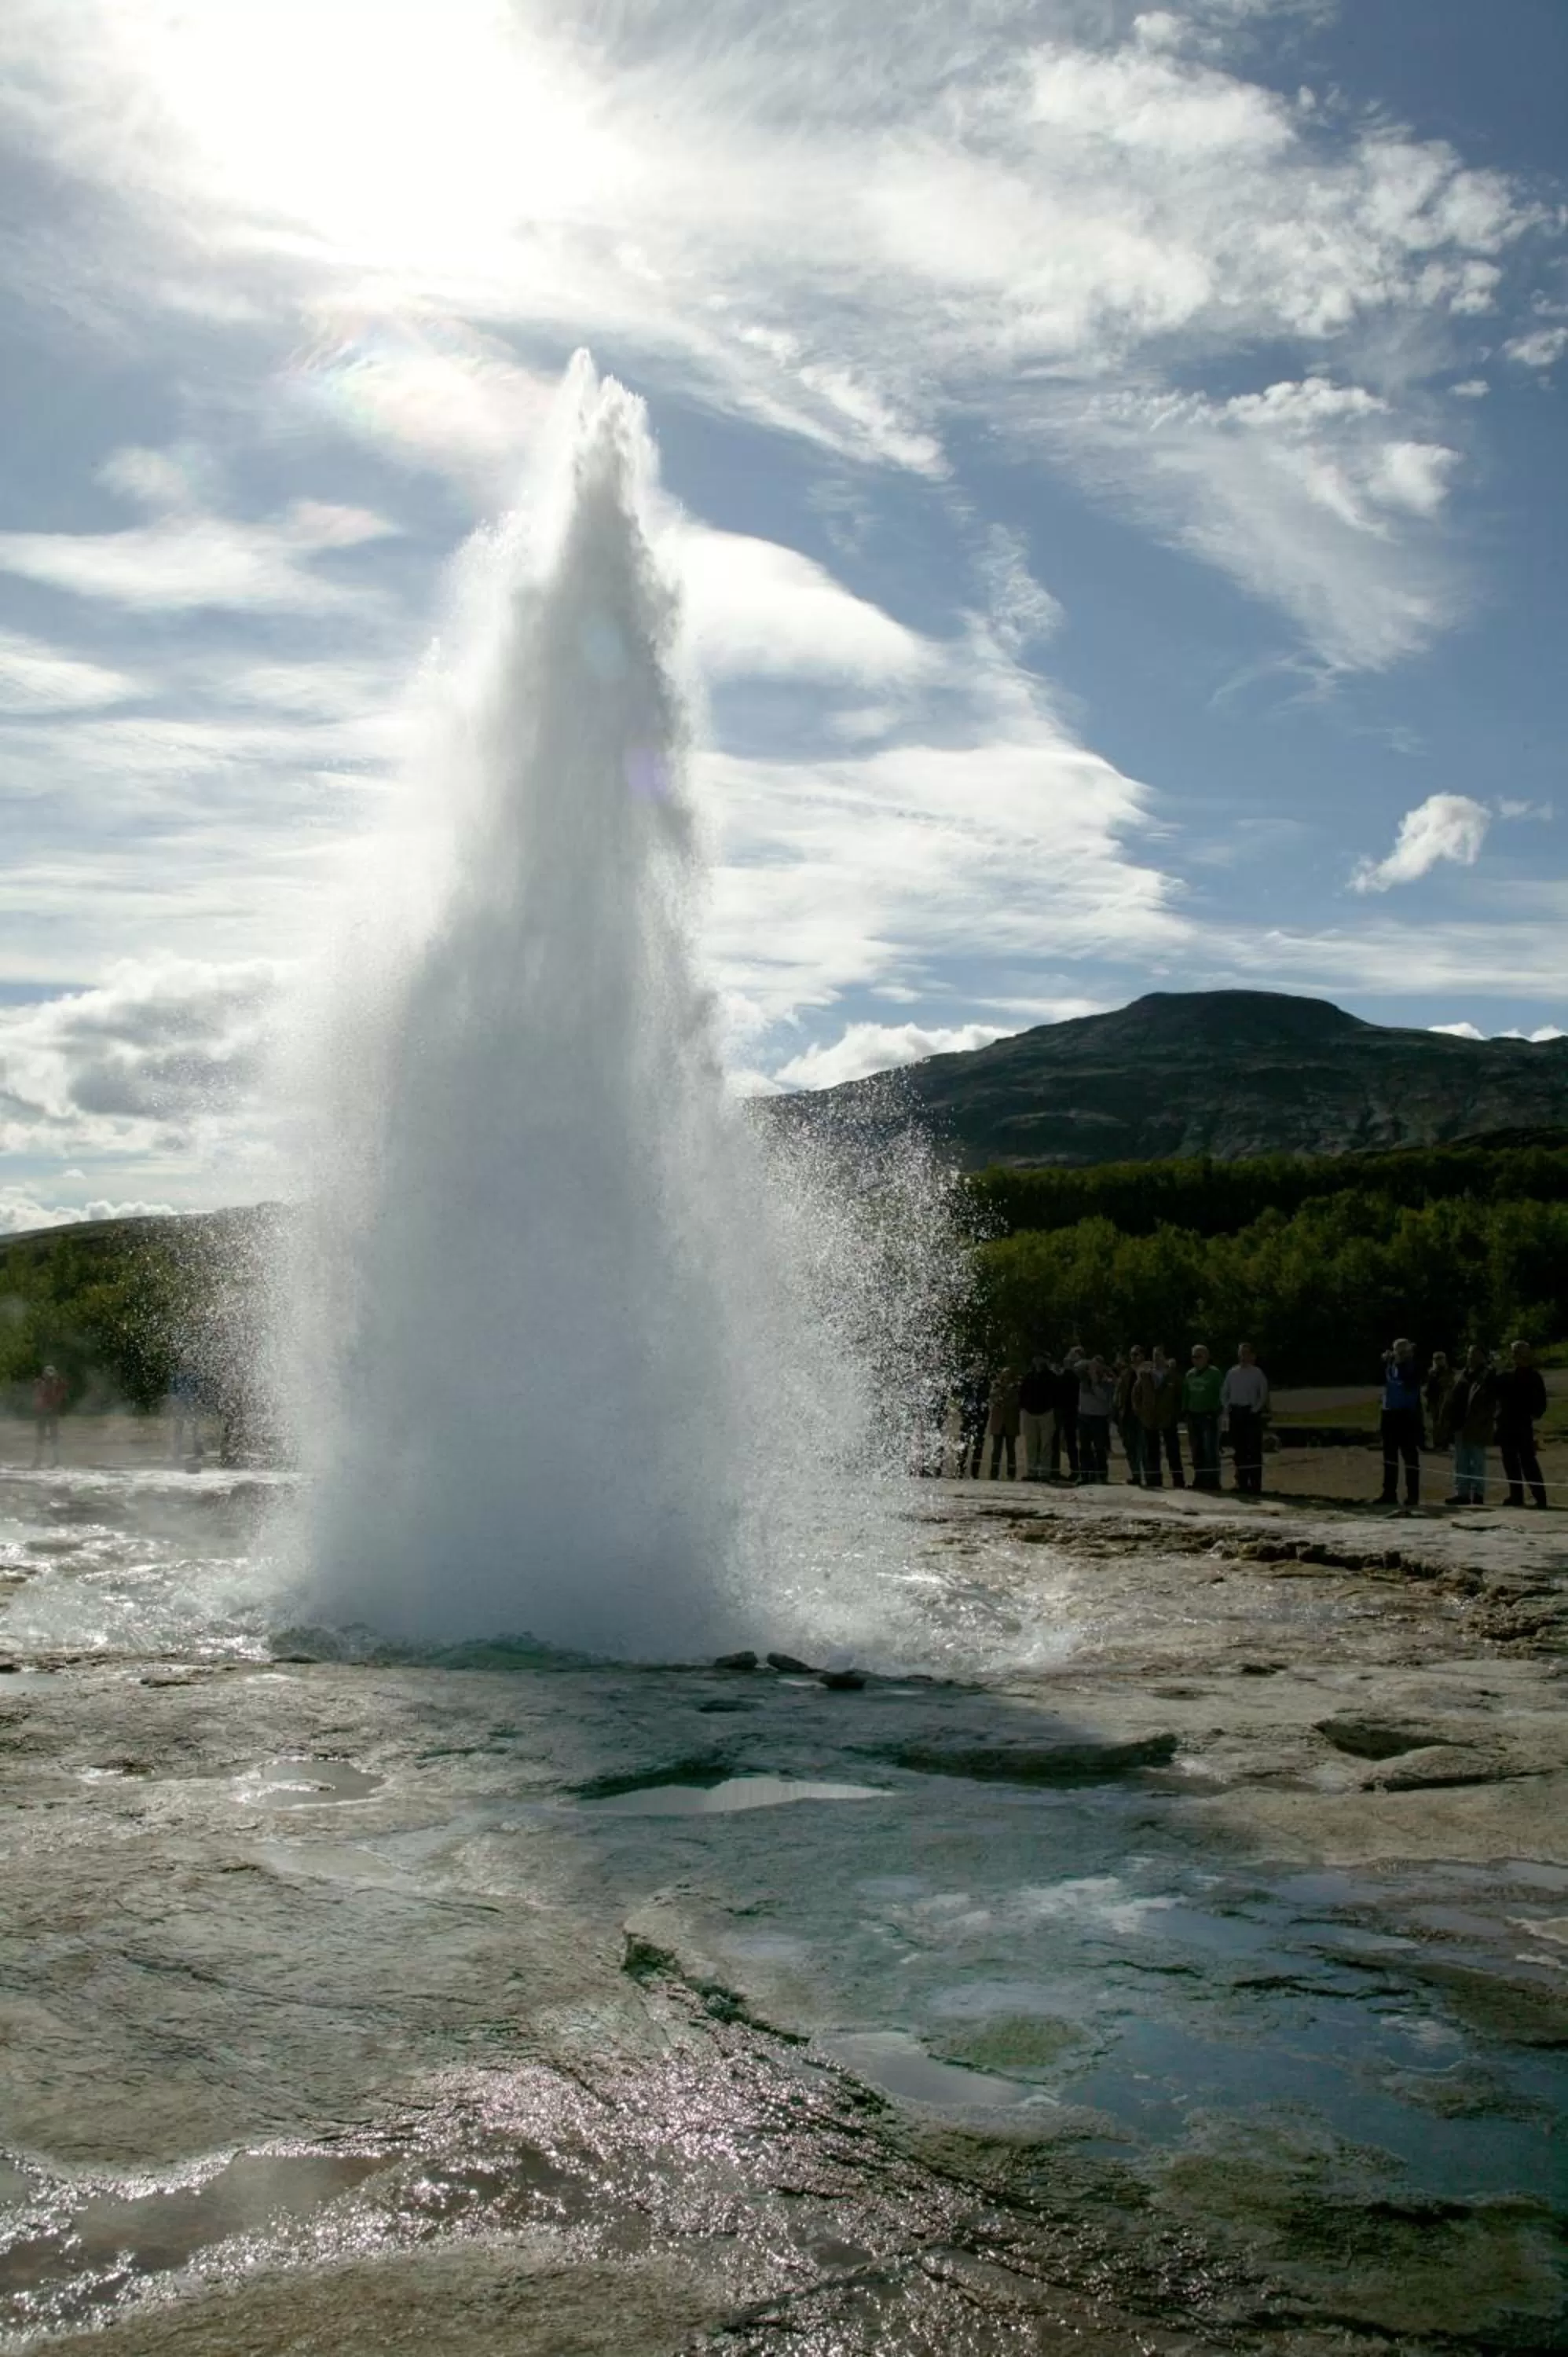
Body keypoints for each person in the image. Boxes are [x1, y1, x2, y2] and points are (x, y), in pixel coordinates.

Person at [1494, 1340, 1549, 1509]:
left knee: (1528, 1461)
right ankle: (1516, 1495)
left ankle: (1540, 1497)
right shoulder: (1507, 1375)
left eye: (1520, 1352)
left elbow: (1541, 1401)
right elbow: (1495, 1391)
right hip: (1506, 1424)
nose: (1516, 1356)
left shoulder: (1533, 1376)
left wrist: (1534, 1414)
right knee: (1510, 1461)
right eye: (1515, 1353)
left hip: (1523, 1424)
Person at [1442, 1345, 1495, 1506]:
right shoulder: (1462, 1375)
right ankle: (1462, 1493)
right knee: (1461, 1461)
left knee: (1477, 1460)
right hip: (1459, 1424)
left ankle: (1478, 1493)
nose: (1471, 1357)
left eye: (1476, 1354)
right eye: (1470, 1354)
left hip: (1477, 1424)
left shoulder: (1488, 1375)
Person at [1378, 1337, 1423, 1508]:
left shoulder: (1413, 1367)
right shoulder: (1391, 1366)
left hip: (1406, 1415)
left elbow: (1407, 1382)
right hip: (1389, 1413)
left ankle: (1413, 1495)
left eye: (1405, 1352)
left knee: (1410, 1456)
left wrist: (1398, 1362)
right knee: (1389, 1456)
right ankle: (1389, 1492)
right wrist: (1387, 1361)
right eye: (1399, 1352)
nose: (1401, 1355)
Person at [1222, 1341, 1269, 1496]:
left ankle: (1255, 1485)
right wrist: (1227, 1407)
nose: (1243, 1357)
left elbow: (1263, 1394)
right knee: (1239, 1450)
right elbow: (1225, 1392)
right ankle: (1241, 1483)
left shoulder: (1257, 1373)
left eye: (1246, 1353)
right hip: (1236, 1413)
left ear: (1252, 1356)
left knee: (1253, 1450)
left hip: (1250, 1413)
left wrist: (1255, 1410)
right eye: (1241, 1353)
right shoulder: (1232, 1373)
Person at [1137, 1346, 1185, 1489]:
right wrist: (1142, 1413)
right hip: (1150, 1419)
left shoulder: (1173, 1376)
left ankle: (1178, 1481)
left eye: (1159, 1355)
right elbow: (1136, 1395)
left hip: (1168, 1419)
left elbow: (1179, 1396)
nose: (1157, 1358)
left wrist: (1175, 1414)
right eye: (1154, 1355)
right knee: (1152, 1452)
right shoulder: (1145, 1375)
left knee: (1173, 1451)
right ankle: (1154, 1480)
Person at [1182, 1345, 1223, 1491]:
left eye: (1199, 1357)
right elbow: (1186, 1393)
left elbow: (1221, 1394)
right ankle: (1199, 1479)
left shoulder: (1215, 1374)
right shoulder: (1190, 1374)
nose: (1196, 1360)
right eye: (1194, 1357)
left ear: (1206, 1357)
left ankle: (1213, 1481)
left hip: (1208, 1415)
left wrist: (1216, 1410)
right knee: (1196, 1449)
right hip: (1193, 1415)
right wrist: (1185, 1410)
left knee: (1210, 1449)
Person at [1077, 1354, 1115, 1485]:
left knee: (1100, 1448)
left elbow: (1104, 1397)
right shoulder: (1083, 1381)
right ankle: (1085, 1475)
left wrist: (1095, 1382)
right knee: (1084, 1448)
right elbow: (1075, 1365)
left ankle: (1102, 1475)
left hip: (1099, 1418)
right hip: (1084, 1417)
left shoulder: (1106, 1382)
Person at [1018, 1354, 1055, 1481]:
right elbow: (1022, 1392)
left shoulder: (1051, 1376)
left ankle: (1044, 1472)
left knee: (1046, 1444)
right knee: (1031, 1443)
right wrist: (1023, 1407)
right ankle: (1032, 1471)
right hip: (1029, 1412)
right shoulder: (1029, 1376)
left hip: (1046, 1412)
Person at [1115, 1349, 1146, 1485]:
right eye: (1132, 1355)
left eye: (1137, 1354)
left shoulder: (1147, 1372)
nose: (1134, 1357)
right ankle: (1135, 1474)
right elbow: (1120, 1392)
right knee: (1130, 1446)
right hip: (1127, 1415)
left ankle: (1149, 1476)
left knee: (1142, 1447)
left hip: (1142, 1416)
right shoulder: (1126, 1373)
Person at [1051, 1347, 1082, 1482]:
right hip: (1062, 1410)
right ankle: (1057, 1470)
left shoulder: (1074, 1375)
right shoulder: (1064, 1375)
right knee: (1059, 1442)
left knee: (1070, 1443)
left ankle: (1074, 1470)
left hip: (1070, 1411)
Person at [986, 1363, 1021, 1480]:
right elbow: (993, 1398)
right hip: (998, 1423)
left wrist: (1005, 1396)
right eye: (1004, 1376)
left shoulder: (1016, 1388)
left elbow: (1015, 1402)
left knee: (1011, 1449)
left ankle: (1011, 1474)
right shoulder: (996, 1386)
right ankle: (993, 1473)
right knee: (996, 1449)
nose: (1006, 1378)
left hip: (1011, 1421)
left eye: (1008, 1376)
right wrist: (1002, 1393)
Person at [957, 1362, 989, 1479]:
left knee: (978, 1443)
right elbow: (962, 1394)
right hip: (968, 1415)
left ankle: (975, 1471)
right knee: (964, 1441)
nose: (977, 1371)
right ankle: (960, 1467)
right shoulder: (967, 1382)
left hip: (980, 1415)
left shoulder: (985, 1383)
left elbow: (985, 1396)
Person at [31, 1364, 67, 1468]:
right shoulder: (40, 1383)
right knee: (41, 1436)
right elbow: (37, 1395)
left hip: (51, 1412)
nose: (49, 1377)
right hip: (44, 1412)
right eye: (47, 1375)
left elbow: (61, 1393)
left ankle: (55, 1459)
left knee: (53, 1436)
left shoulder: (57, 1384)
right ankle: (39, 1459)